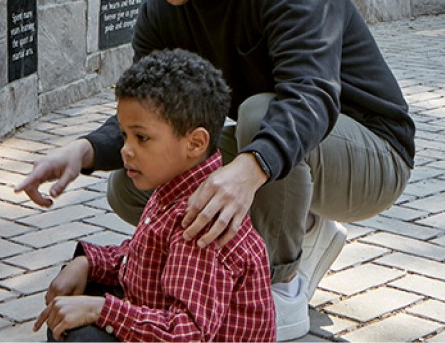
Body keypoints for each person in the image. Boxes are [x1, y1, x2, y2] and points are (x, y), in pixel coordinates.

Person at [13, 0, 415, 341]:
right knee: (131, 184)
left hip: (371, 153)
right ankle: (298, 220)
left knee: (260, 115)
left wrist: (247, 172)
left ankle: (279, 279)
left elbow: (311, 97)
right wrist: (81, 151)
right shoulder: (164, 8)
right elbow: (151, 112)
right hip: (288, 147)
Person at [34, 49, 275, 342]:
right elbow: (143, 258)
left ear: (195, 143)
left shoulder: (201, 222)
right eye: (124, 135)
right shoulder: (175, 185)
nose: (126, 150)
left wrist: (101, 310)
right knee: (71, 302)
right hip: (162, 317)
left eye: (142, 138)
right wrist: (87, 262)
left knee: (82, 334)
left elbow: (187, 335)